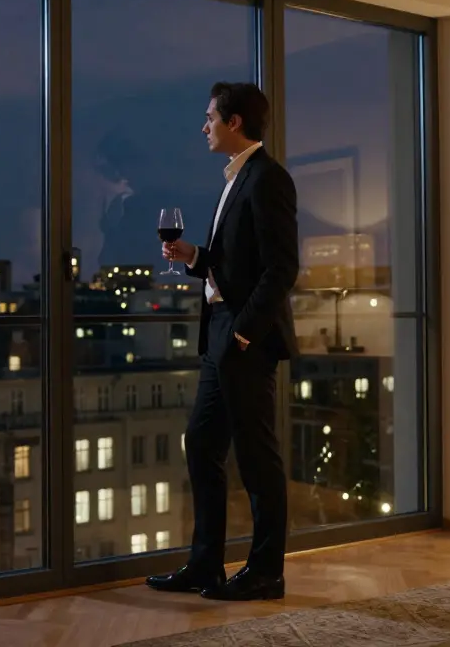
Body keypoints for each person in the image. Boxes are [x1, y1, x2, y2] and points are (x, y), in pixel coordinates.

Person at [148, 81, 299, 601]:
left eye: (210, 117)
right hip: (219, 337)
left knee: (258, 459)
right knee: (203, 445)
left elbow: (281, 269)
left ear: (234, 122)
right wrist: (194, 256)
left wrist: (242, 331)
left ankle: (266, 573)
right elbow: (235, 263)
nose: (204, 125)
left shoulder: (267, 179)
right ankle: (206, 565)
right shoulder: (237, 179)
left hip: (242, 340)